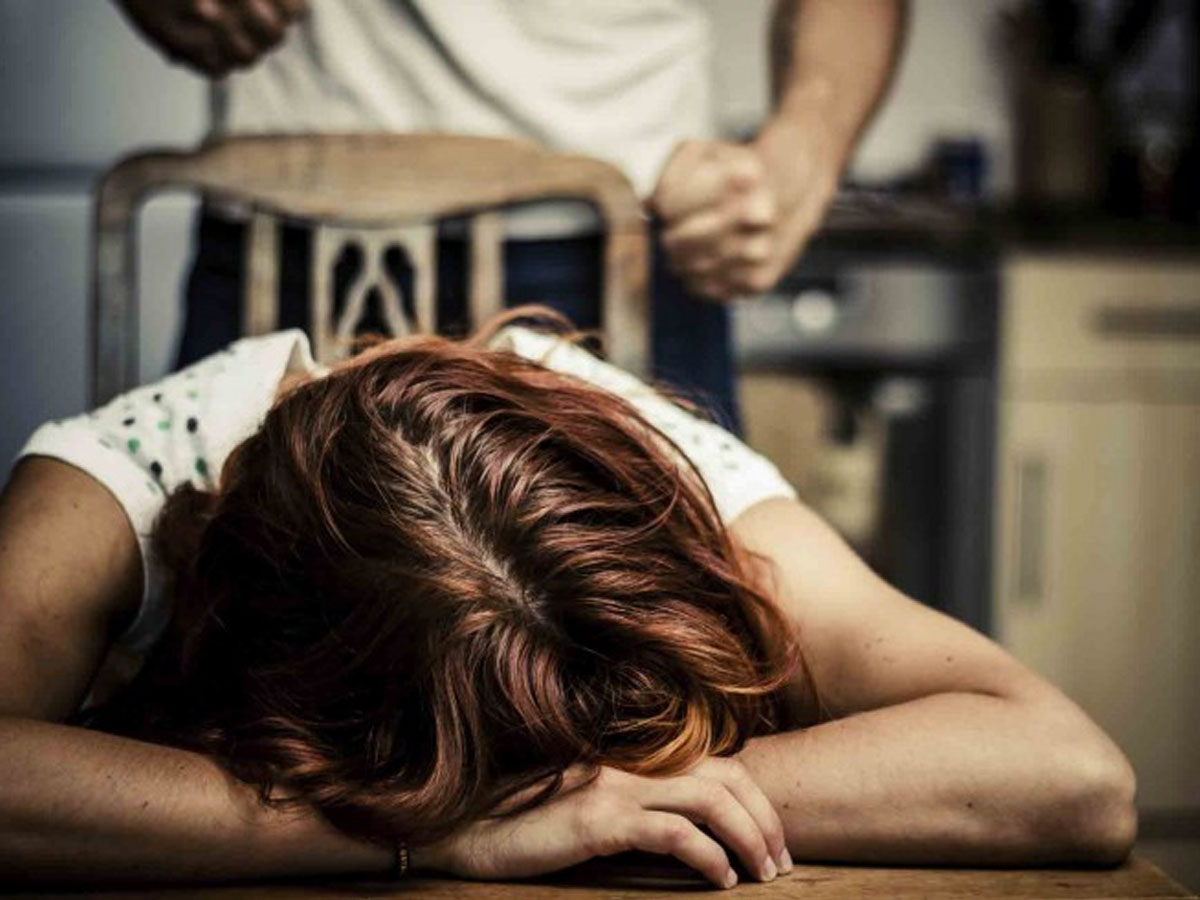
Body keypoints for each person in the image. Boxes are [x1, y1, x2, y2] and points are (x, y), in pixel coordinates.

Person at [1, 309, 1136, 886]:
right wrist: (428, 839)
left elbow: (1071, 776)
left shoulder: (656, 476)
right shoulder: (114, 478)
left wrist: (619, 798)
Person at [111, 0, 908, 428]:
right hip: (278, 234)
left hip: (617, 246)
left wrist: (801, 155)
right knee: (205, 631)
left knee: (672, 645)